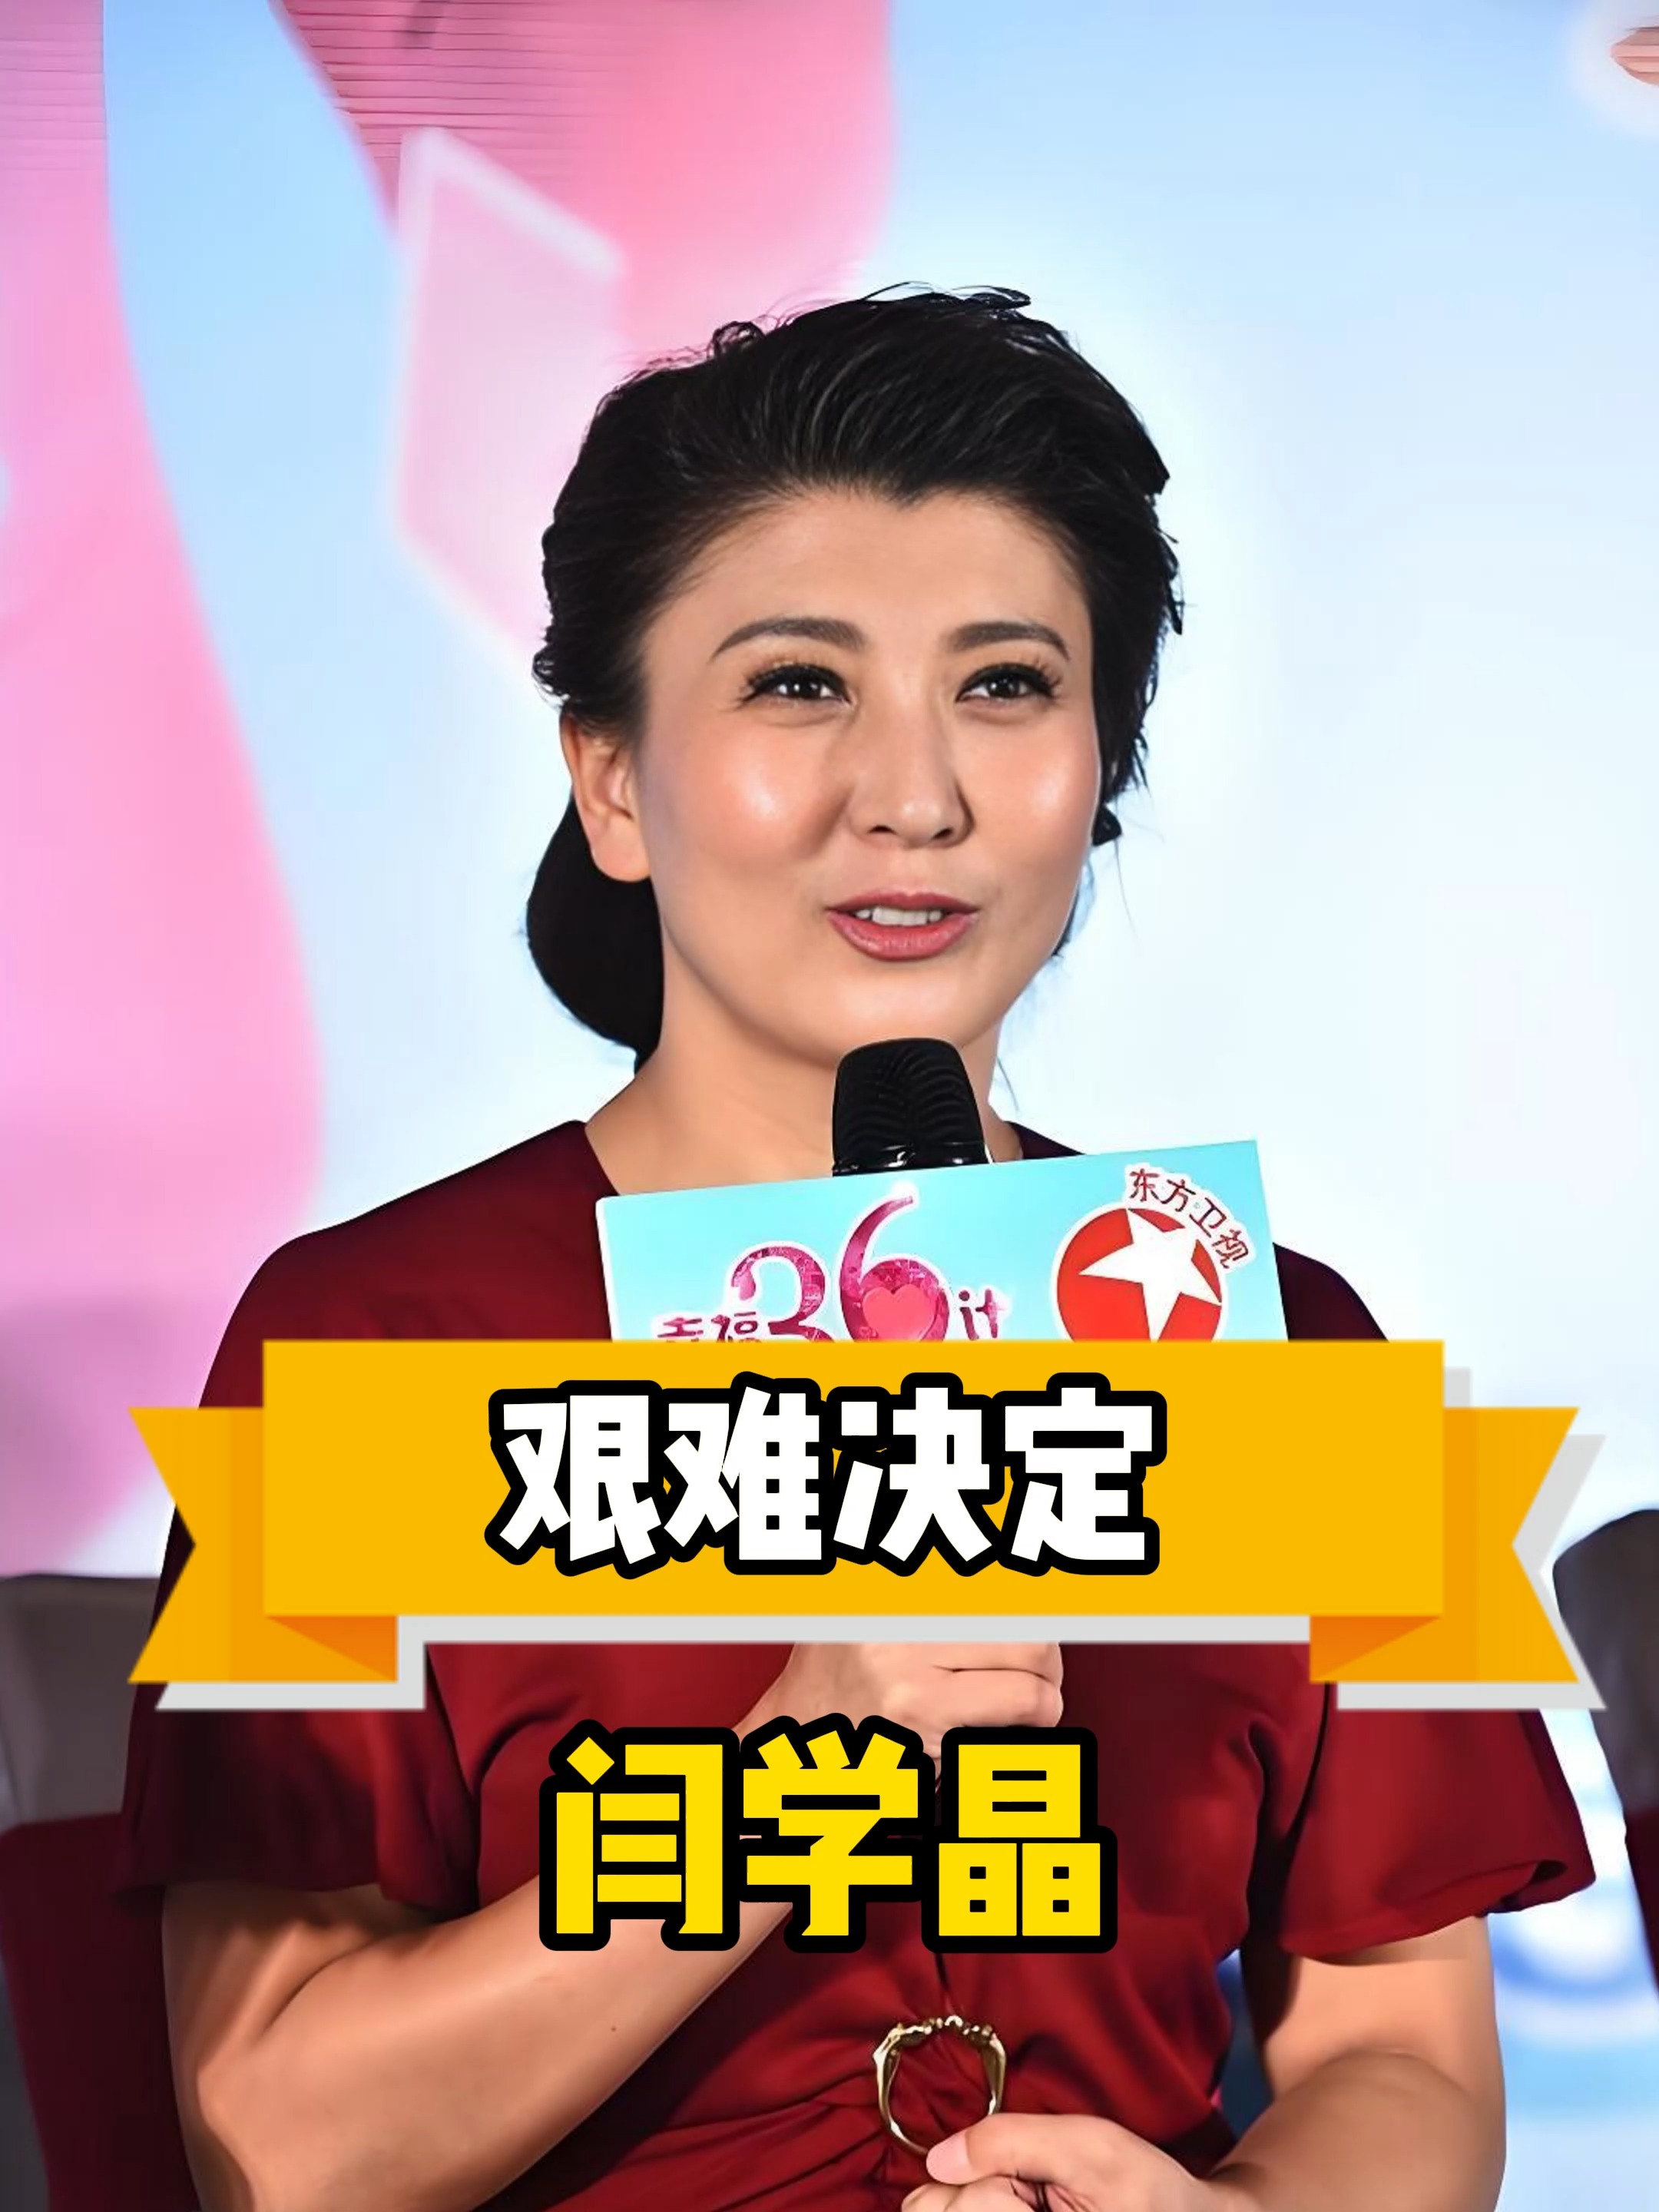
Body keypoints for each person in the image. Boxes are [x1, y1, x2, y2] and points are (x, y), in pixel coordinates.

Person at [117, 288, 1592, 2212]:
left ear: (1102, 770)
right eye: (801, 683)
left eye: (1008, 685)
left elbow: (1407, 2058)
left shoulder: (1289, 1349)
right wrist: (788, 1783)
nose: (914, 796)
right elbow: (281, 2147)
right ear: (614, 780)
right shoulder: (355, 1346)